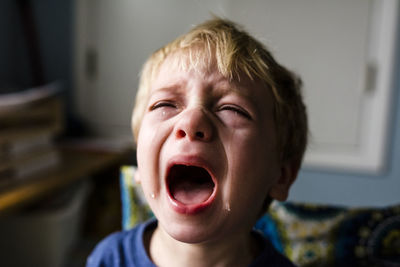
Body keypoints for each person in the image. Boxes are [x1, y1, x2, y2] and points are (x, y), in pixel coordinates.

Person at [86, 17, 308, 267]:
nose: (191, 122)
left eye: (232, 109)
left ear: (281, 176)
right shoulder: (109, 258)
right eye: (165, 104)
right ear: (140, 157)